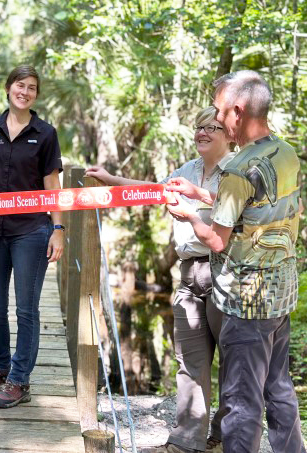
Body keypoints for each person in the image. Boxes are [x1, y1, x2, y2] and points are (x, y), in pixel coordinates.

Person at [165, 71, 304, 453]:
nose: (216, 117)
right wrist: (200, 193)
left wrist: (191, 216)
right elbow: (264, 206)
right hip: (279, 295)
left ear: (238, 112)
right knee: (277, 387)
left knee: (241, 406)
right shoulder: (284, 152)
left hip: (246, 302)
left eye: (220, 110)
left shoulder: (238, 168)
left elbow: (216, 238)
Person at [86, 107, 234, 453]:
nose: (202, 132)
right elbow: (151, 191)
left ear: (229, 134)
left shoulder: (237, 172)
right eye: (199, 127)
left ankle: (224, 437)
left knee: (232, 360)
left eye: (212, 127)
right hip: (189, 274)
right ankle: (186, 441)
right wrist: (110, 179)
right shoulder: (189, 170)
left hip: (226, 271)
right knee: (190, 362)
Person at [0, 65, 64, 409]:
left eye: (32, 88)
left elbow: (53, 185)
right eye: (20, 85)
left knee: (26, 310)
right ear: (8, 88)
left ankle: (19, 381)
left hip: (31, 232)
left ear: (36, 95)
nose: (25, 91)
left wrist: (58, 229)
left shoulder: (46, 133)